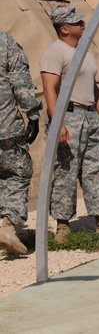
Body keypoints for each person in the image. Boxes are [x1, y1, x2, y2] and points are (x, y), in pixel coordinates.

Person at [40, 6, 99, 243]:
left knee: (96, 169)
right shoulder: (55, 52)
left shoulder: (84, 52)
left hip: (89, 117)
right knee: (65, 171)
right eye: (78, 23)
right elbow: (49, 88)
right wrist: (58, 122)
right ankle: (63, 226)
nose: (83, 25)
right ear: (64, 28)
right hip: (68, 116)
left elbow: (94, 88)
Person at [0, 30, 42, 255]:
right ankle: (8, 227)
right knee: (17, 173)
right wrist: (32, 114)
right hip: (5, 127)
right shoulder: (4, 42)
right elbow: (20, 82)